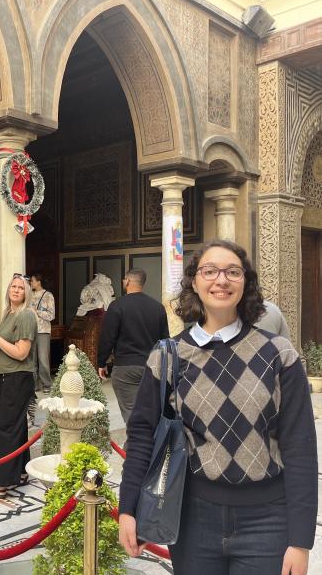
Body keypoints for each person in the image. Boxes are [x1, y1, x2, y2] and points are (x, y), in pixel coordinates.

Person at [118, 240, 317, 575]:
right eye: (209, 271)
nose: (221, 280)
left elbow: (300, 447)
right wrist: (129, 507)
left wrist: (300, 541)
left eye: (233, 272)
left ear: (246, 283)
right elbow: (141, 435)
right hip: (193, 517)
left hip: (267, 520)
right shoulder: (169, 355)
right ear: (194, 282)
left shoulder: (278, 354)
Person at [0, 273, 37, 498]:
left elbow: (21, 353)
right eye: (13, 286)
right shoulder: (9, 313)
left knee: (6, 429)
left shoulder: (26, 316)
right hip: (8, 376)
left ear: (26, 293)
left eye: (20, 288)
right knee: (17, 426)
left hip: (16, 378)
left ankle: (2, 483)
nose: (15, 290)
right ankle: (20, 472)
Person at [97, 268, 169, 443]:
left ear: (127, 282)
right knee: (149, 413)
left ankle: (138, 456)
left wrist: (101, 362)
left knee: (131, 416)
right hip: (152, 368)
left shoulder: (117, 306)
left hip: (125, 368)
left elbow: (108, 338)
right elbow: (165, 340)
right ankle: (148, 451)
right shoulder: (158, 307)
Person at [30, 272, 56, 394]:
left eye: (32, 281)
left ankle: (47, 384)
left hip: (43, 331)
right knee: (31, 359)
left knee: (43, 358)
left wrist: (37, 312)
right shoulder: (29, 296)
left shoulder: (48, 296)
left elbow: (51, 315)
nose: (31, 283)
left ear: (38, 282)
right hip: (30, 331)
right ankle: (34, 384)